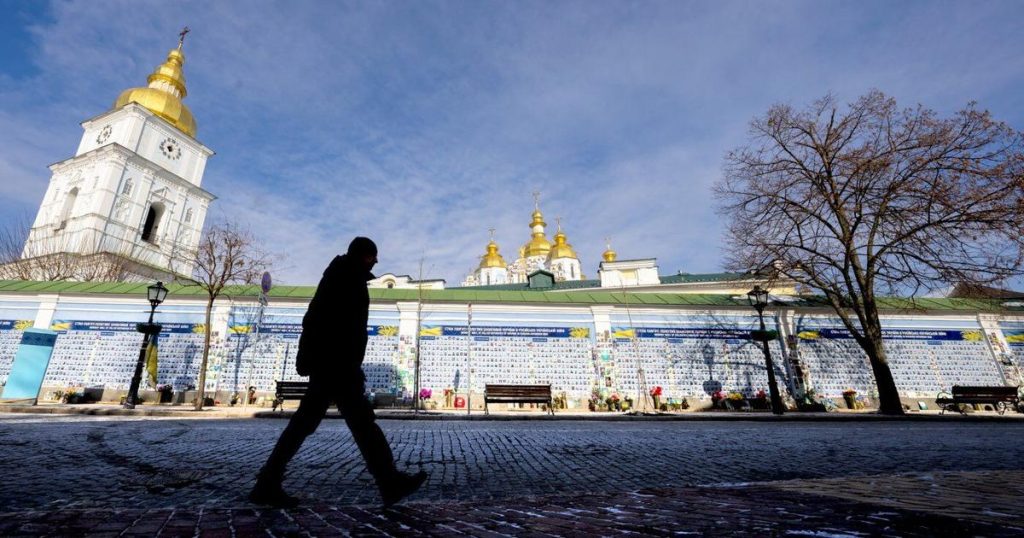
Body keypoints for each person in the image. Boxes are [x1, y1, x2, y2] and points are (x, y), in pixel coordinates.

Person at [250, 237, 427, 508]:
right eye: (373, 256)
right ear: (363, 256)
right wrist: (342, 364)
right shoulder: (345, 278)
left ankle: (267, 482)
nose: (377, 261)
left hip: (333, 365)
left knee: (314, 425)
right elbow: (330, 324)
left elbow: (323, 320)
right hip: (336, 366)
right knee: (359, 425)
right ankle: (389, 481)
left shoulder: (342, 275)